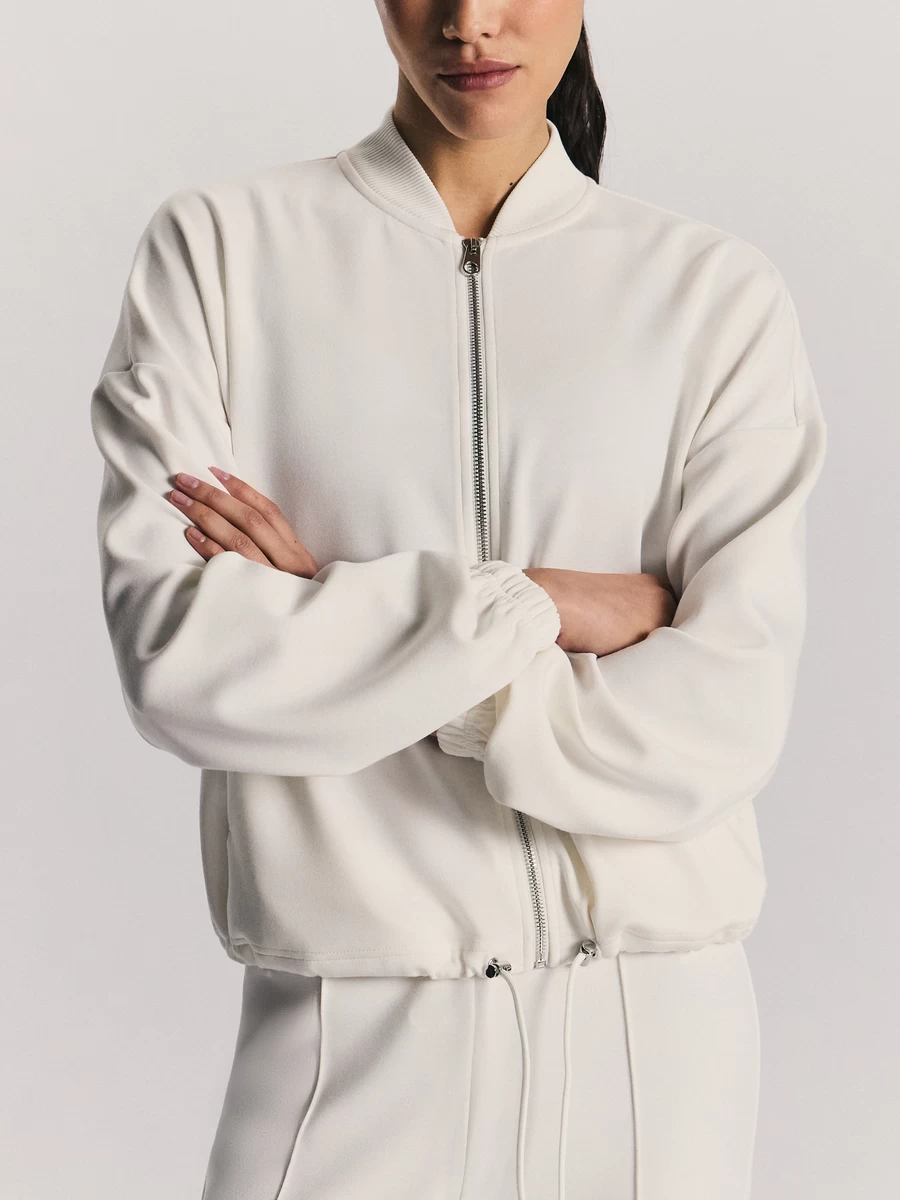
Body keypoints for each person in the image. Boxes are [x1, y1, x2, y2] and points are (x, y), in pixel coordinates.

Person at [89, 2, 828, 1198]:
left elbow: (723, 718)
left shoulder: (711, 294)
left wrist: (343, 620)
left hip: (653, 1055)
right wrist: (535, 604)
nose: (471, 22)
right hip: (347, 1038)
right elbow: (183, 659)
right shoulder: (222, 251)